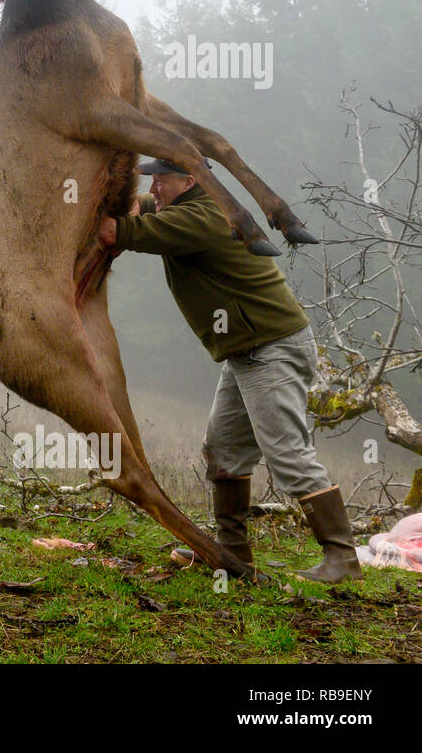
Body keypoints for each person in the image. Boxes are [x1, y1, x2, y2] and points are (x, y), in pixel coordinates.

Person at [97, 158, 361, 583]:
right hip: (248, 351)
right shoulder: (188, 205)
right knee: (222, 451)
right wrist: (132, 198)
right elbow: (144, 206)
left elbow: (115, 232)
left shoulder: (202, 218)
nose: (155, 187)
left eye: (162, 179)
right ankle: (233, 555)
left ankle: (342, 558)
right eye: (153, 179)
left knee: (288, 453)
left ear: (188, 181)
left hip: (269, 348)